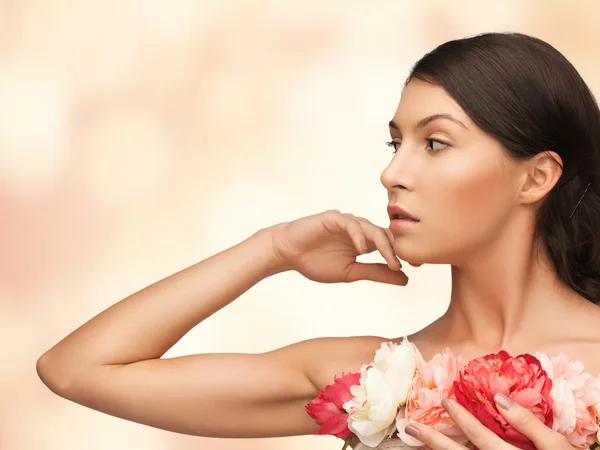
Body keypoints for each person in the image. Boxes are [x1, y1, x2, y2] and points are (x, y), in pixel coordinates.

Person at [36, 32, 600, 450]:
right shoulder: (372, 380)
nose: (393, 174)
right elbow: (77, 369)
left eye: (435, 143)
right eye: (394, 143)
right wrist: (271, 250)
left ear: (537, 177)